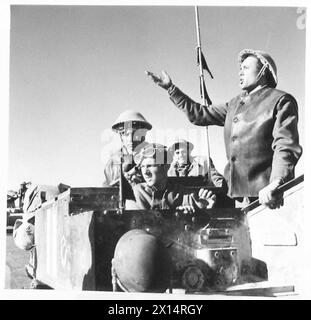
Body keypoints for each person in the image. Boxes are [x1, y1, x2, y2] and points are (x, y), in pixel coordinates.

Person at [146, 49, 302, 209]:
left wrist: (277, 182)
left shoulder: (280, 101)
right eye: (240, 68)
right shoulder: (234, 105)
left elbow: (285, 145)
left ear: (263, 70)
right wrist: (171, 89)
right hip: (234, 196)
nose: (240, 72)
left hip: (266, 196)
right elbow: (199, 114)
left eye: (246, 68)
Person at [125, 143, 216, 212]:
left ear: (166, 166)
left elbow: (199, 213)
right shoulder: (136, 193)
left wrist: (204, 208)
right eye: (142, 167)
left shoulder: (182, 194)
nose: (145, 172)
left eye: (150, 166)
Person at [102, 110, 152, 187]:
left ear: (143, 135)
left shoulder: (153, 156)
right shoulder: (113, 162)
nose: (130, 139)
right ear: (121, 136)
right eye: (126, 134)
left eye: (136, 134)